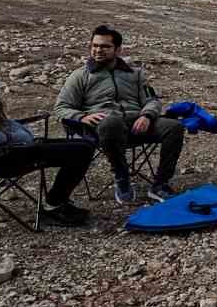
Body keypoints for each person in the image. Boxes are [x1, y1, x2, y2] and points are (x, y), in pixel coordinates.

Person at [0, 41, 93, 226]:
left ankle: (56, 203)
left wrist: (17, 130)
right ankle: (54, 205)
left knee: (84, 146)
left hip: (0, 150)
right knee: (80, 151)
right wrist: (9, 136)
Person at [54, 24, 184, 203]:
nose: (98, 50)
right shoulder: (80, 76)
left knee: (174, 127)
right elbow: (61, 107)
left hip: (136, 123)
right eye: (95, 46)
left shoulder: (135, 74)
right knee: (111, 123)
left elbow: (152, 100)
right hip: (102, 128)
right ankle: (122, 178)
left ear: (118, 49)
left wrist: (147, 115)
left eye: (105, 46)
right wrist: (82, 117)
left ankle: (160, 184)